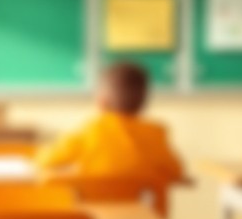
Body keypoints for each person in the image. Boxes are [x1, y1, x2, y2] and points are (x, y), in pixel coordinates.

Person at [37, 61, 184, 184]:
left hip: (94, 213)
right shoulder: (156, 132)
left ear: (101, 101)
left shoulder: (91, 129)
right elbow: (175, 171)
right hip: (147, 214)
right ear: (143, 103)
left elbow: (47, 160)